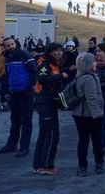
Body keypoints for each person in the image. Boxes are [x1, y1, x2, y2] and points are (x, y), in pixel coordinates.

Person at [0, 37, 37, 158]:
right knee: (14, 120)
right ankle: (11, 145)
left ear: (15, 44)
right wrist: (6, 91)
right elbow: (7, 76)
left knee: (26, 121)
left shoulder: (25, 55)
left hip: (26, 93)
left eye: (12, 44)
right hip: (14, 93)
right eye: (7, 45)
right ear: (5, 47)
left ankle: (24, 147)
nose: (10, 47)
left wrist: (29, 89)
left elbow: (34, 72)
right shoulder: (7, 57)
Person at [33, 42, 67, 175]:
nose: (59, 53)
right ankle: (46, 165)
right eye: (56, 51)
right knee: (51, 134)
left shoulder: (55, 64)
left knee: (45, 134)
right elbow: (42, 79)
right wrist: (60, 76)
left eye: (61, 51)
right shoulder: (45, 64)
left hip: (50, 102)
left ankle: (38, 165)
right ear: (50, 52)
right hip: (45, 102)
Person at [71, 52, 104, 177]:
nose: (95, 63)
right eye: (93, 61)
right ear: (87, 64)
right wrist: (98, 115)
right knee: (96, 140)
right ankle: (99, 163)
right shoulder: (89, 79)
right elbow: (91, 99)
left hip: (78, 114)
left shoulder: (79, 76)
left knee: (83, 140)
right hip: (90, 114)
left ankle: (82, 166)